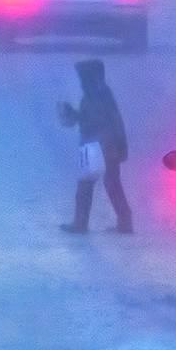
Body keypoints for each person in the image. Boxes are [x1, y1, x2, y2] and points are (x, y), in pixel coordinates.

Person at [58, 58, 131, 234]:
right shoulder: (98, 94)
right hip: (105, 143)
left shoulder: (97, 96)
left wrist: (75, 116)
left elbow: (102, 120)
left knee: (87, 184)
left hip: (98, 144)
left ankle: (81, 222)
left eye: (83, 76)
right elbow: (106, 119)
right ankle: (124, 220)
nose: (81, 80)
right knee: (110, 183)